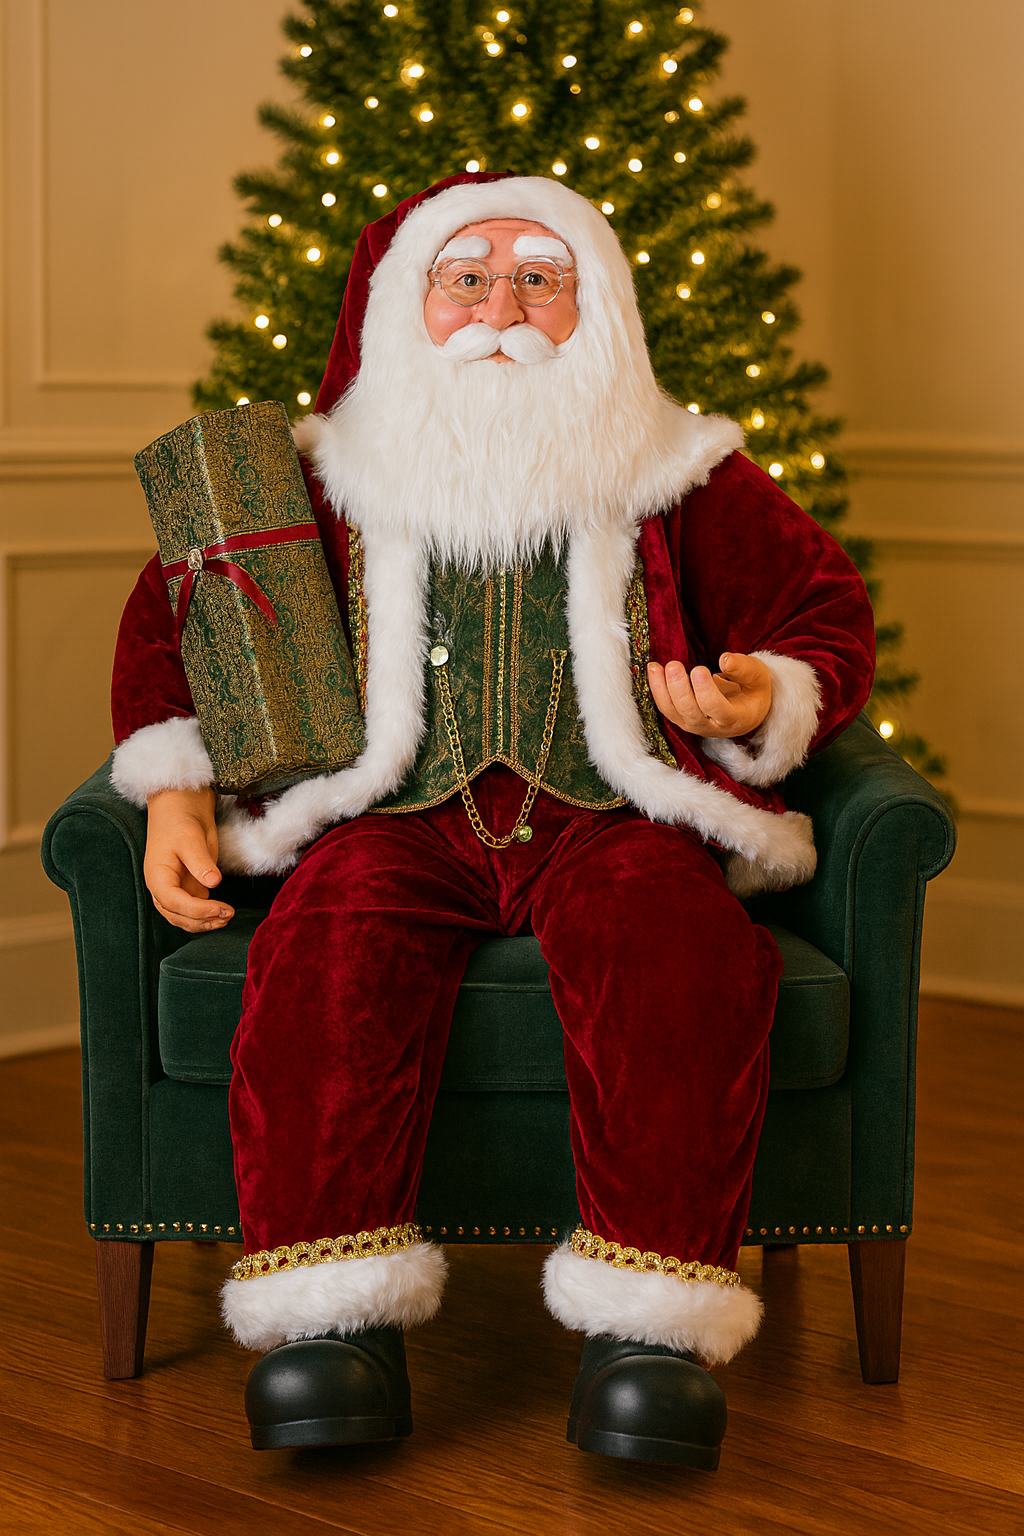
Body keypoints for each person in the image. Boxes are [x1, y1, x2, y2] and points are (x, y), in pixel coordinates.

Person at [110, 173, 875, 1467]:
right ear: (404, 306)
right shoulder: (318, 474)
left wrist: (762, 693)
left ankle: (649, 1334)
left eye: (538, 279)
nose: (502, 310)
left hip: (613, 816)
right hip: (392, 817)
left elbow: (822, 609)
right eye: (466, 279)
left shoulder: (680, 471)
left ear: (598, 303)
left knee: (679, 958)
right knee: (326, 959)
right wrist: (176, 787)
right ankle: (332, 1324)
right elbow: (174, 621)